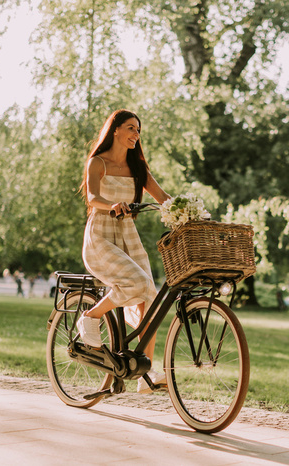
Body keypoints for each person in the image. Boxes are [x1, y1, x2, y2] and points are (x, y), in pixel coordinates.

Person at [76, 109, 171, 393]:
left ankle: (146, 374)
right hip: (101, 236)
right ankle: (90, 317)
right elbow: (93, 197)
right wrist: (112, 204)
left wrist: (185, 213)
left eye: (138, 131)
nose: (135, 135)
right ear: (115, 129)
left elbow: (163, 198)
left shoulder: (138, 168)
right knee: (139, 283)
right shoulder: (98, 163)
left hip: (128, 236)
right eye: (131, 128)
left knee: (150, 300)